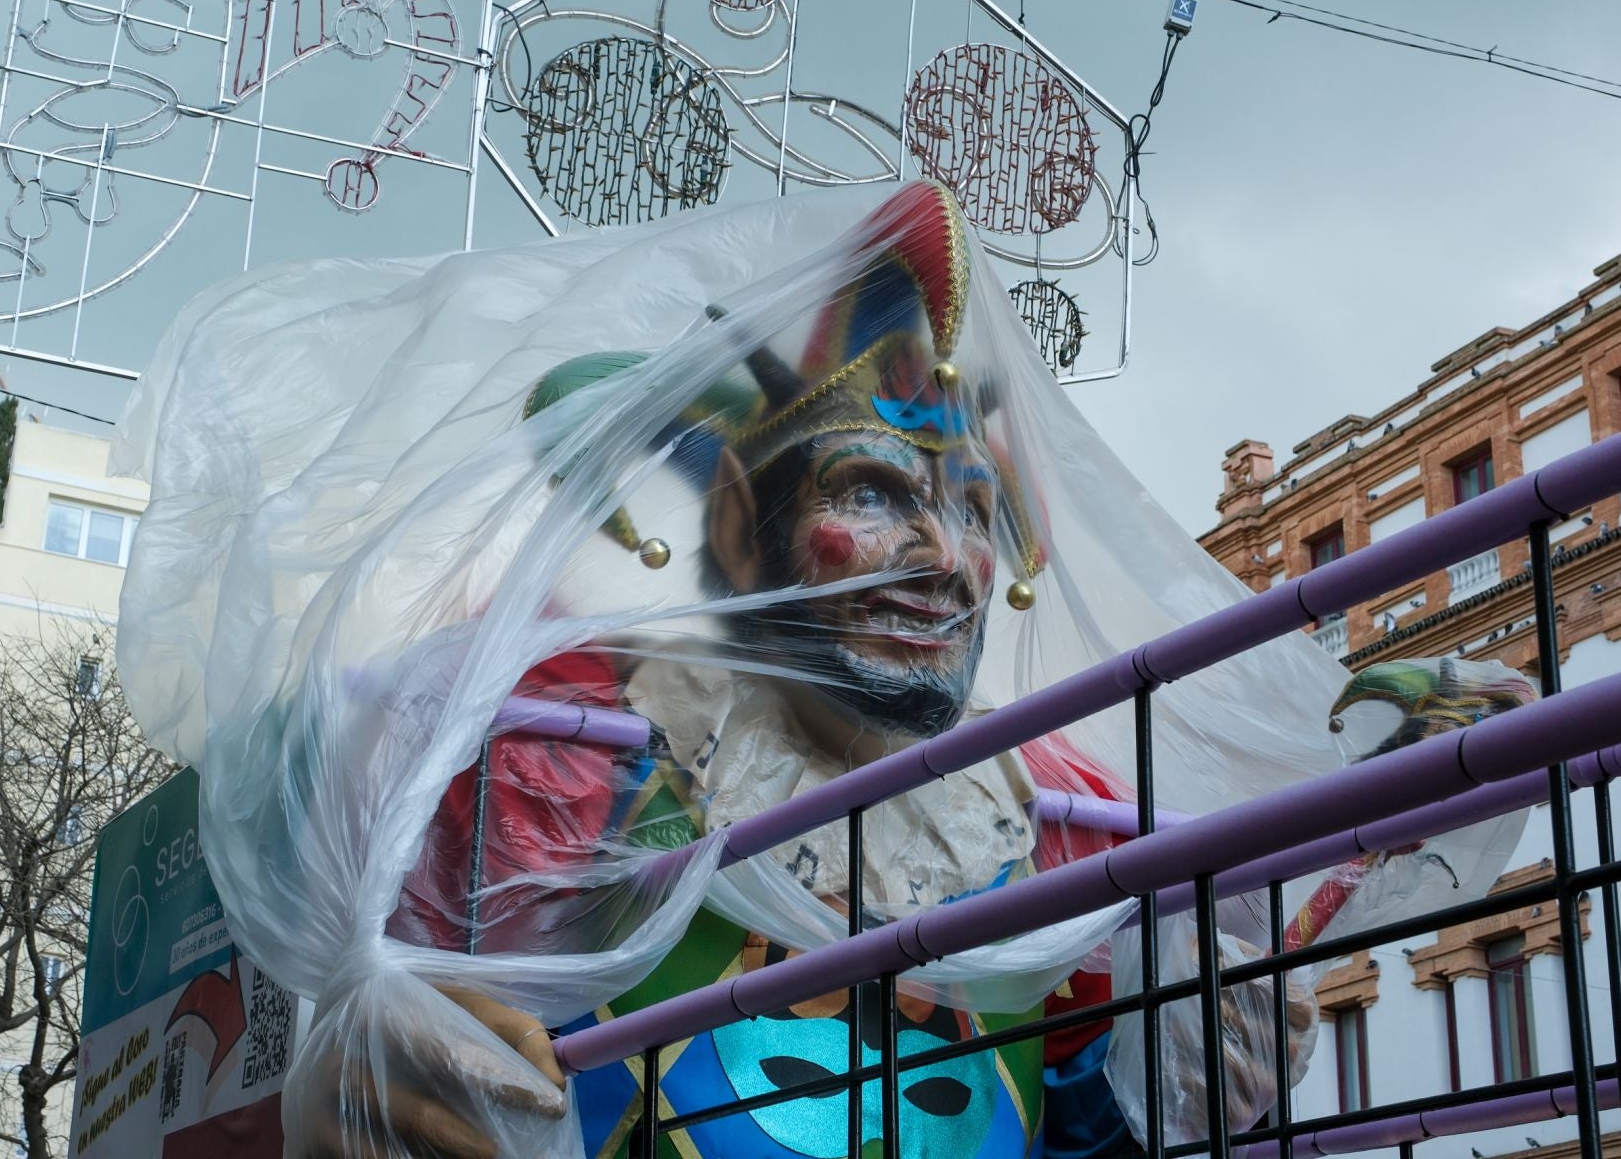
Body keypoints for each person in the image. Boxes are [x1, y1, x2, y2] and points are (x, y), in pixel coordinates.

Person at [112, 182, 1525, 1159]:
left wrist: (1202, 1067)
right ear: (743, 524)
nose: (943, 558)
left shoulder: (1052, 822)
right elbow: (443, 1057)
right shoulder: (579, 756)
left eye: (975, 510)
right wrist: (353, 1091)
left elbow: (1073, 1126)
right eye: (875, 491)